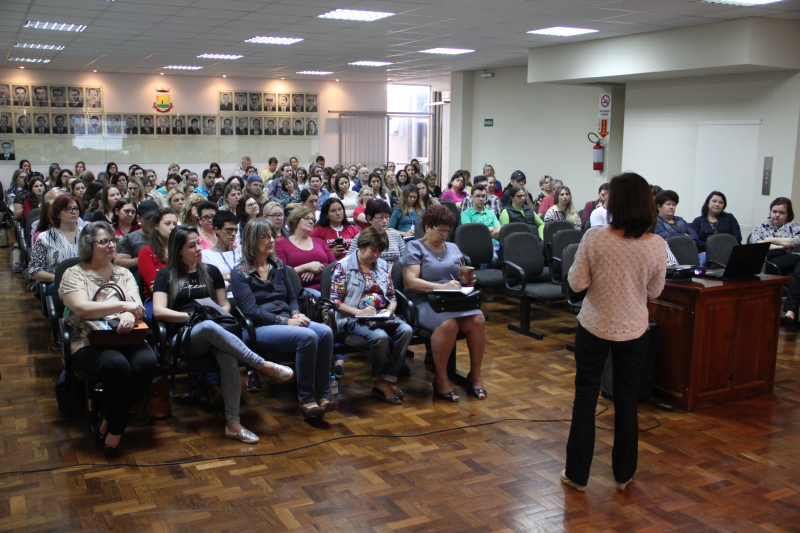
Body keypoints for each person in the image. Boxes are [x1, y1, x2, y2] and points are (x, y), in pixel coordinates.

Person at [562, 172, 666, 493]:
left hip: (593, 328)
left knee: (585, 399)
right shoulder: (657, 246)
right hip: (634, 331)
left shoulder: (594, 238)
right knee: (626, 402)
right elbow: (655, 292)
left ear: (614, 202)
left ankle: (577, 477)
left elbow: (577, 284)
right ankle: (623, 476)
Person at [153, 226, 293, 443]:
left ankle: (233, 424)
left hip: (214, 328)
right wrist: (192, 318)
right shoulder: (165, 275)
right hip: (185, 334)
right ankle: (261, 365)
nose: (199, 249)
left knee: (226, 357)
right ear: (178, 250)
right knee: (208, 328)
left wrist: (216, 314)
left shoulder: (210, 271)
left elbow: (224, 304)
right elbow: (159, 311)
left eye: (199, 243)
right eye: (192, 246)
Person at [60, 221, 157, 456]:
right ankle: (116, 429)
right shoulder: (74, 274)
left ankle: (106, 416)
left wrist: (128, 312)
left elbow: (137, 305)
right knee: (116, 365)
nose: (111, 245)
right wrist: (124, 306)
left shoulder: (123, 273)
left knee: (148, 362)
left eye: (112, 240)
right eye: (103, 241)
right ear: (88, 246)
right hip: (88, 340)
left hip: (125, 336)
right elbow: (83, 309)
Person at [231, 218, 335, 417]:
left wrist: (295, 313)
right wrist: (287, 321)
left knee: (326, 332)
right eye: (265, 236)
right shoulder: (240, 272)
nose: (271, 240)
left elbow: (291, 296)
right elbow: (252, 311)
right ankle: (306, 399)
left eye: (272, 235)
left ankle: (323, 393)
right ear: (252, 240)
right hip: (259, 326)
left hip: (287, 319)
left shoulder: (278, 265)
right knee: (307, 336)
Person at [401, 205, 487, 402]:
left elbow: (460, 272)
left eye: (447, 230)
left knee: (478, 320)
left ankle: (475, 374)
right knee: (448, 324)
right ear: (427, 227)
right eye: (439, 230)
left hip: (453, 299)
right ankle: (441, 378)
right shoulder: (415, 247)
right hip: (424, 299)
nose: (444, 235)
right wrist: (441, 287)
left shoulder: (453, 248)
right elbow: (410, 282)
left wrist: (467, 280)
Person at [330, 226, 413, 404]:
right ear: (361, 245)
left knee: (406, 330)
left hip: (379, 317)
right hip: (351, 318)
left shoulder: (382, 265)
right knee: (380, 337)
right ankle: (378, 381)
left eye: (380, 251)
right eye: (373, 250)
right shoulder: (343, 267)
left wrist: (389, 310)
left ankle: (387, 379)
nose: (376, 255)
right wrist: (359, 312)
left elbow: (392, 296)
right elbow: (335, 302)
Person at [750, 197, 800, 324]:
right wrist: (782, 245)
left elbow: (796, 241)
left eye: (781, 212)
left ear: (788, 214)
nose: (777, 215)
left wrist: (769, 240)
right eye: (774, 211)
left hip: (791, 265)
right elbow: (755, 244)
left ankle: (790, 312)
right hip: (770, 262)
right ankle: (791, 310)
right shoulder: (762, 226)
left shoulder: (794, 226)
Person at [29, 194, 82, 297]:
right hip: (56, 283)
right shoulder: (45, 237)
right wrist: (57, 277)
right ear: (57, 213)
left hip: (84, 280)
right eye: (68, 209)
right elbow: (34, 271)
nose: (74, 211)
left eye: (76, 208)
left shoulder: (87, 234)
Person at [276, 207, 335, 295]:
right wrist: (306, 267)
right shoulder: (280, 245)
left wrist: (320, 266)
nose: (311, 222)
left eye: (312, 219)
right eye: (307, 218)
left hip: (328, 288)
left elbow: (336, 265)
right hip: (300, 292)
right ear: (295, 220)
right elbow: (281, 274)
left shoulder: (320, 242)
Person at [137, 205, 178, 325]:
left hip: (183, 296)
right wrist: (181, 282)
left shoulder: (182, 250)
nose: (172, 227)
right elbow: (155, 286)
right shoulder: (146, 252)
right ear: (156, 226)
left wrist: (168, 283)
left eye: (175, 224)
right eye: (167, 223)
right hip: (155, 300)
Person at [347, 199, 406, 269]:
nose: (384, 221)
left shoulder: (396, 236)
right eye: (380, 217)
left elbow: (406, 259)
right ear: (369, 218)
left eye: (387, 217)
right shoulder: (361, 237)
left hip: (395, 273)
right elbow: (349, 260)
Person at [202, 210, 240, 298]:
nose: (233, 234)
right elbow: (210, 281)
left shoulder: (242, 250)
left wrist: (225, 277)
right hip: (223, 298)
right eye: (229, 230)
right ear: (217, 230)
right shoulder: (206, 255)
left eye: (235, 230)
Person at [461, 184, 501, 266]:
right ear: (472, 197)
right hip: (479, 246)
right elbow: (471, 235)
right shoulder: (466, 214)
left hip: (497, 245)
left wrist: (481, 233)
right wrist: (489, 229)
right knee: (493, 258)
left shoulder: (491, 213)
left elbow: (500, 232)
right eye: (478, 196)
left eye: (483, 196)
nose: (481, 199)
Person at [115, 200, 159, 272]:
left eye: (155, 218)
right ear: (138, 218)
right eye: (148, 218)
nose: (152, 222)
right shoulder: (129, 238)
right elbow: (119, 262)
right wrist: (145, 258)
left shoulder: (165, 235)